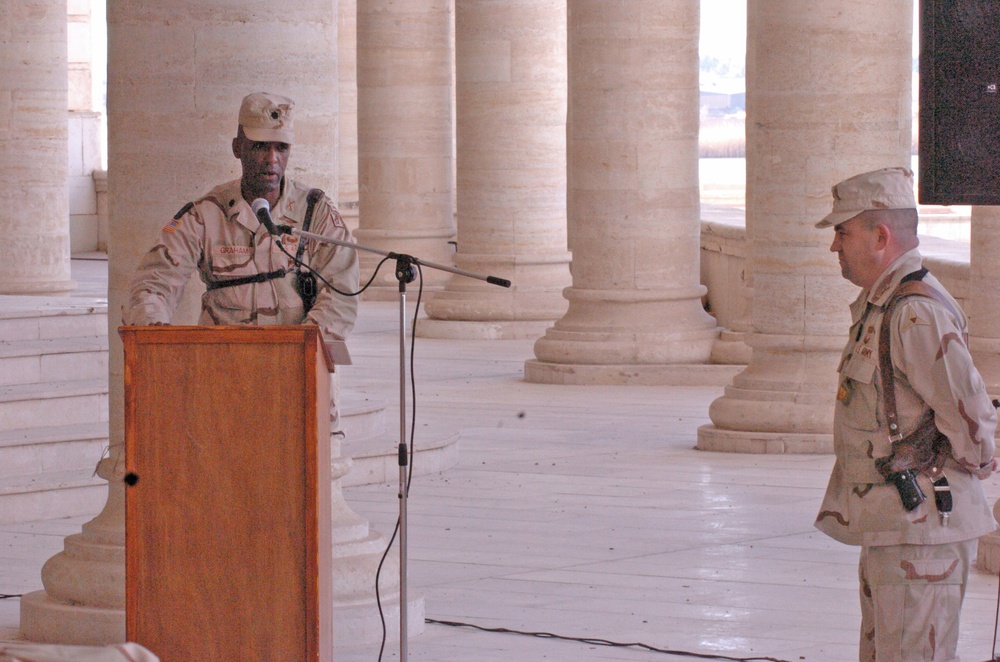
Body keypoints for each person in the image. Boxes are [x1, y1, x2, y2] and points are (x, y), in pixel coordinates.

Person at [814, 166, 997, 661]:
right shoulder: (884, 304)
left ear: (880, 235)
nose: (835, 246)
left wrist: (964, 466)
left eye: (842, 231)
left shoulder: (916, 311)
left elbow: (970, 411)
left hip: (923, 530)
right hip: (895, 525)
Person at [124, 92, 359, 342]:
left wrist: (305, 346)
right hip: (223, 362)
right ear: (238, 148)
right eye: (260, 146)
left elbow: (342, 289)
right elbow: (155, 281)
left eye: (281, 148)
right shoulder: (205, 215)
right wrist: (152, 332)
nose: (272, 159)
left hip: (296, 364)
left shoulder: (315, 210)